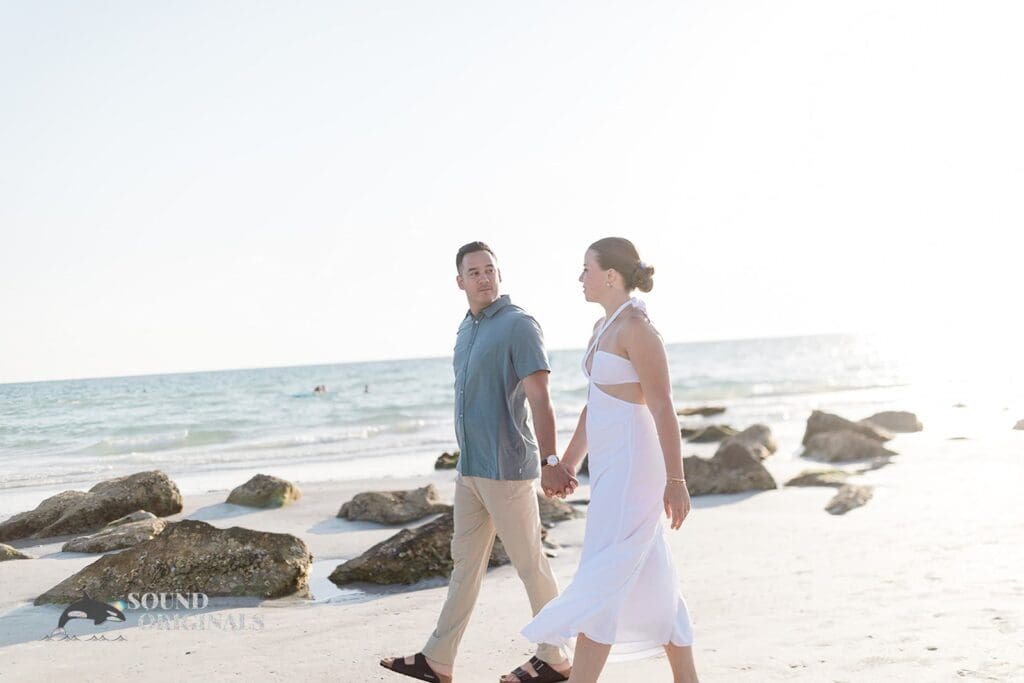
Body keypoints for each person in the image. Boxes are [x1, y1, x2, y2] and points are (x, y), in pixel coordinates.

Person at [381, 241, 579, 683]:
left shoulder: (518, 326)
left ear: (499, 275)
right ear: (460, 282)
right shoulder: (466, 330)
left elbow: (540, 398)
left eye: (490, 269)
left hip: (507, 469)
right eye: (474, 272)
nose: (484, 278)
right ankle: (439, 659)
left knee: (530, 563)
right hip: (470, 469)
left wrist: (550, 459)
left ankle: (557, 657)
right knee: (464, 566)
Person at [520, 237, 699, 683]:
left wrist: (676, 480)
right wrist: (568, 464)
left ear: (611, 277)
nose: (580, 278)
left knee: (604, 572)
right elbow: (593, 405)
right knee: (649, 572)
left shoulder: (638, 329)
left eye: (586, 269)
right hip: (609, 467)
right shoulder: (603, 328)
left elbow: (663, 407)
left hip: (635, 468)